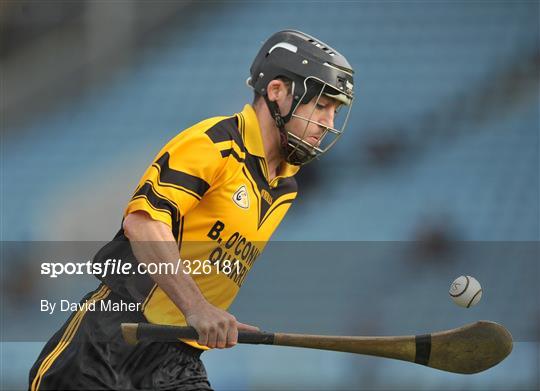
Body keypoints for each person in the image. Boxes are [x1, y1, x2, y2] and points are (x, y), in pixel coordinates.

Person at [29, 29, 354, 390]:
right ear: (276, 91)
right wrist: (197, 307)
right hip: (111, 340)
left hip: (177, 361)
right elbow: (143, 224)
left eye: (335, 111)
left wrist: (209, 316)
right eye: (321, 106)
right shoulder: (213, 144)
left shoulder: (284, 187)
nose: (328, 124)